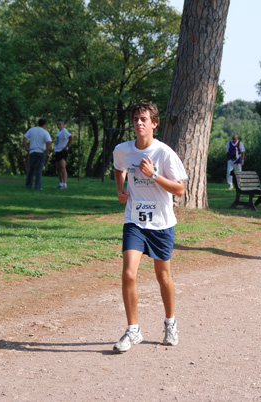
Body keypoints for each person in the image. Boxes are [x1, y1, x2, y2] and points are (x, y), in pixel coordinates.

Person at [112, 100, 188, 353]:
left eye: (144, 119)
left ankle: (170, 324)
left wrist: (154, 175)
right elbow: (118, 168)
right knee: (128, 273)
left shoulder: (164, 153)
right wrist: (120, 189)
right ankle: (133, 330)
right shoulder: (123, 150)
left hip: (161, 223)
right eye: (135, 119)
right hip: (134, 219)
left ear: (154, 123)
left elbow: (179, 189)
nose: (139, 123)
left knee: (162, 276)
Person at [23, 118, 52, 190]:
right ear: (45, 125)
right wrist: (46, 150)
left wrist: (26, 147)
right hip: (40, 152)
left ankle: (28, 185)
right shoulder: (45, 132)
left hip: (32, 151)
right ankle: (37, 186)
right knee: (39, 170)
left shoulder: (31, 130)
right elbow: (49, 142)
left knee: (30, 169)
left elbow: (24, 137)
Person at [54, 119, 73, 189]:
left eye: (60, 124)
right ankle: (61, 183)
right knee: (58, 168)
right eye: (57, 124)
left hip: (62, 151)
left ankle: (65, 184)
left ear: (63, 124)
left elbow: (71, 137)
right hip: (57, 151)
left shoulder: (64, 131)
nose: (58, 126)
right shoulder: (58, 131)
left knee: (62, 167)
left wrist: (67, 146)